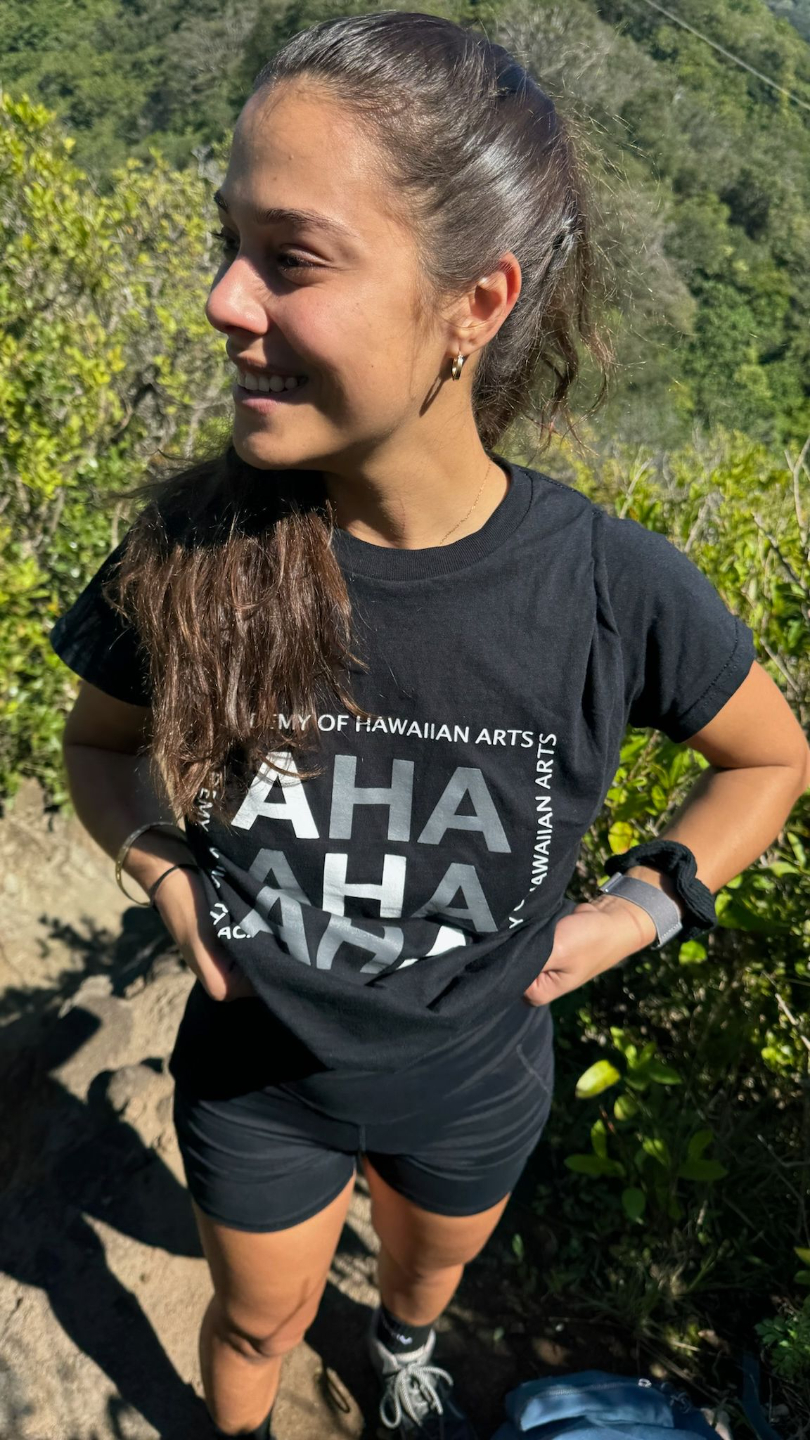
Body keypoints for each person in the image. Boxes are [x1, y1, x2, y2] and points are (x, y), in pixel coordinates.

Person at [49, 12, 810, 1440]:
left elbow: (767, 759)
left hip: (474, 1082)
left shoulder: (610, 588)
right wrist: (162, 871)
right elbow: (98, 747)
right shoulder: (194, 555)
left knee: (424, 1283)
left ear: (475, 303)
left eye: (292, 256)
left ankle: (402, 1349)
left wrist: (645, 906)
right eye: (228, 242)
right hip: (259, 1080)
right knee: (255, 1321)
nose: (222, 299)